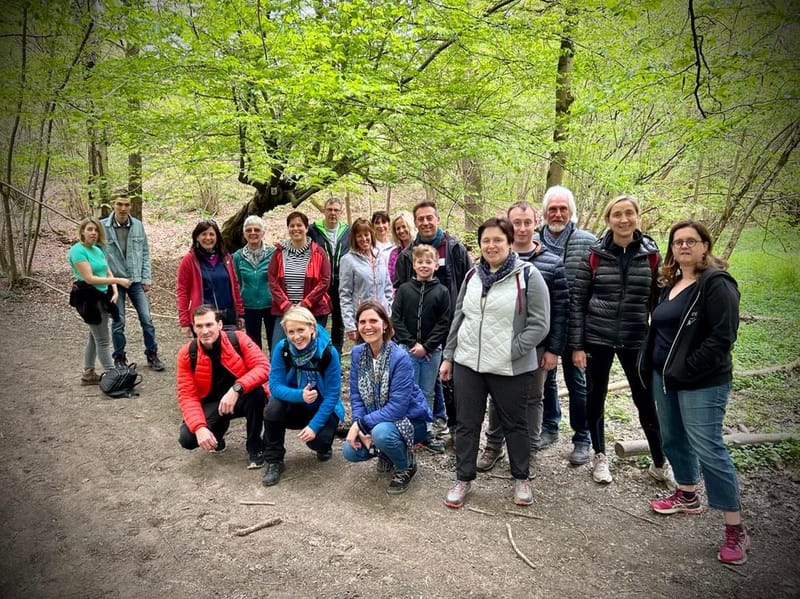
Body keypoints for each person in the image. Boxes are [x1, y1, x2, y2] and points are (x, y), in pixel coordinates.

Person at [639, 220, 749, 565]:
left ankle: (735, 528)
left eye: (691, 241)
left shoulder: (716, 284)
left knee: (708, 447)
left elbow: (722, 338)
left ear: (705, 246)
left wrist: (686, 370)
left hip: (702, 381)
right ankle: (687, 494)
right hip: (664, 377)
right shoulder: (669, 281)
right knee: (672, 437)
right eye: (678, 242)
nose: (684, 247)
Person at [440, 217, 550, 509]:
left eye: (498, 240)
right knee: (467, 423)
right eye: (486, 240)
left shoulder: (528, 275)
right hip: (468, 364)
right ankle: (463, 478)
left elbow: (540, 325)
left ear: (510, 242)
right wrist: (449, 355)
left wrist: (513, 350)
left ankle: (521, 477)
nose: (491, 245)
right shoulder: (471, 276)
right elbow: (460, 317)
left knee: (516, 424)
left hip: (510, 367)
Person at [568, 194, 674, 487]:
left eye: (629, 213)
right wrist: (577, 345)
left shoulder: (651, 255)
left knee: (645, 400)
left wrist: (659, 341)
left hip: (635, 338)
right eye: (617, 214)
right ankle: (600, 456)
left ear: (638, 216)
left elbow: (659, 300)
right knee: (595, 397)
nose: (624, 219)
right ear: (608, 220)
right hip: (597, 338)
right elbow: (578, 301)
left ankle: (659, 462)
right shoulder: (593, 254)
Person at [477, 201, 569, 471]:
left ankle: (528, 451)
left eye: (527, 222)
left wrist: (553, 349)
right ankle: (493, 446)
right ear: (508, 225)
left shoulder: (551, 263)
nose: (522, 228)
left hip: (536, 347)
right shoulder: (491, 263)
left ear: (535, 223)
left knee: (532, 398)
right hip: (498, 345)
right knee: (497, 396)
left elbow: (561, 310)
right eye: (516, 223)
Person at [394, 200, 473, 440]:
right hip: (415, 335)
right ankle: (424, 425)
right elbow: (400, 293)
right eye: (421, 219)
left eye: (430, 217)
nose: (426, 222)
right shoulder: (407, 256)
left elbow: (470, 282)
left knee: (453, 380)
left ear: (437, 219)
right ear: (415, 222)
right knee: (423, 383)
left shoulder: (454, 248)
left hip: (451, 327)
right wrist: (409, 340)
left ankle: (456, 428)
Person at [344, 301, 433, 494]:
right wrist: (360, 424)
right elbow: (356, 394)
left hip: (410, 421)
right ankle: (387, 453)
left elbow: (397, 408)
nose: (367, 326)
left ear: (385, 324)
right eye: (362, 322)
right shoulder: (358, 353)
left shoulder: (399, 357)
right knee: (350, 451)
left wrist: (361, 425)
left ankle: (405, 467)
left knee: (382, 434)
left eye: (373, 321)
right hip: (377, 421)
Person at [537, 185, 594, 463]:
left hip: (576, 326)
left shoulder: (587, 241)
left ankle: (582, 437)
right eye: (552, 209)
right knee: (546, 379)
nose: (557, 214)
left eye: (563, 209)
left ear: (571, 212)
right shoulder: (534, 242)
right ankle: (549, 425)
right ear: (544, 212)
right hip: (543, 325)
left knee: (578, 383)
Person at [176, 305, 269, 469]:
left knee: (257, 394)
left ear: (219, 324)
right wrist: (199, 428)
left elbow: (263, 367)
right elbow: (187, 395)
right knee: (188, 439)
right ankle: (217, 432)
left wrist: (237, 388)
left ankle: (255, 445)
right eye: (199, 326)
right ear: (193, 328)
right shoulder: (187, 353)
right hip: (212, 403)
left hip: (240, 398)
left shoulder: (238, 339)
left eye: (209, 324)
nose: (205, 331)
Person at [262, 306, 344, 486]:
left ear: (312, 328)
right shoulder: (282, 349)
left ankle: (324, 444)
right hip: (297, 403)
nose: (296, 336)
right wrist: (301, 395)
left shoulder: (328, 353)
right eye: (291, 331)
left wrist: (314, 427)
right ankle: (274, 460)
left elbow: (332, 395)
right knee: (272, 409)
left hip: (322, 406)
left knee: (317, 443)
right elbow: (275, 386)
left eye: (301, 330)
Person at [391, 245, 451, 454]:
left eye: (428, 262)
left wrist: (426, 346)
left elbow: (444, 322)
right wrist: (410, 343)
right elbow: (396, 318)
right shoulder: (405, 290)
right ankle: (405, 431)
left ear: (436, 265)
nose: (424, 266)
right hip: (406, 350)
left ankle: (424, 432)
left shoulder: (442, 291)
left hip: (432, 352)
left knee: (427, 391)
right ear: (413, 264)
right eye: (420, 262)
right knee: (405, 390)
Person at [101, 193, 164, 370]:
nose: (123, 208)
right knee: (118, 321)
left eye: (127, 205)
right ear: (113, 205)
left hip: (136, 280)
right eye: (119, 204)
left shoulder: (137, 225)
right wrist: (104, 280)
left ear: (130, 206)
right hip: (114, 282)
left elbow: (145, 253)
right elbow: (98, 255)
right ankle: (119, 358)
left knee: (147, 319)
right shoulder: (102, 227)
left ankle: (152, 354)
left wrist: (146, 278)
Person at [69, 217, 131, 384]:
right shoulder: (77, 251)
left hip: (102, 296)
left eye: (96, 230)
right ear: (82, 231)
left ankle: (88, 374)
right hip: (88, 298)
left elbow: (107, 270)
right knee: (103, 340)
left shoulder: (97, 250)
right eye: (90, 229)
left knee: (94, 336)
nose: (93, 233)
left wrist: (115, 289)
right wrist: (118, 281)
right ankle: (114, 377)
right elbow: (89, 278)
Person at [268, 211, 332, 348]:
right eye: (292, 226)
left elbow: (325, 281)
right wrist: (287, 306)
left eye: (299, 225)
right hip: (285, 311)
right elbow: (272, 280)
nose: (295, 229)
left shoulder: (318, 252)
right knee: (279, 349)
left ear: (306, 228)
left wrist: (305, 304)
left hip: (314, 310)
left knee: (313, 350)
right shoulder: (279, 253)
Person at [176, 219, 244, 337]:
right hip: (204, 319)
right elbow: (183, 292)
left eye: (212, 234)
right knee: (207, 353)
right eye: (204, 234)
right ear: (197, 237)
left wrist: (240, 313)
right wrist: (185, 322)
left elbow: (235, 286)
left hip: (228, 317)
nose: (208, 238)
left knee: (230, 352)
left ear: (217, 237)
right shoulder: (189, 260)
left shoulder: (226, 258)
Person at [339, 217, 393, 343]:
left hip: (382, 318)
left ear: (371, 235)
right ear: (354, 238)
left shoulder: (379, 256)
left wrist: (388, 311)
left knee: (386, 357)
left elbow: (388, 287)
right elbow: (345, 295)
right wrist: (350, 325)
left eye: (366, 234)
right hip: (363, 320)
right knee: (365, 357)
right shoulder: (348, 260)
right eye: (359, 236)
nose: (364, 239)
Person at [308, 198, 350, 353]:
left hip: (342, 283)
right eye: (330, 209)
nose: (333, 213)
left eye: (336, 210)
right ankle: (318, 353)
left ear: (341, 212)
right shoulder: (313, 230)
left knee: (339, 322)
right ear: (324, 211)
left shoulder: (348, 231)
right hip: (321, 284)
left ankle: (336, 356)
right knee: (320, 320)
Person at [233, 215, 276, 351]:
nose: (253, 233)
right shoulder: (237, 256)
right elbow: (238, 282)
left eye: (257, 230)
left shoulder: (273, 254)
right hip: (249, 306)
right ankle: (258, 369)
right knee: (253, 343)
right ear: (244, 233)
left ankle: (275, 370)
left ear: (263, 233)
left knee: (274, 341)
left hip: (271, 305)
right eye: (249, 230)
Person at [386, 210, 416, 283]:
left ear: (410, 226)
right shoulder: (394, 253)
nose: (401, 231)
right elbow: (390, 279)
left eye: (404, 226)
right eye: (398, 228)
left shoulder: (419, 249)